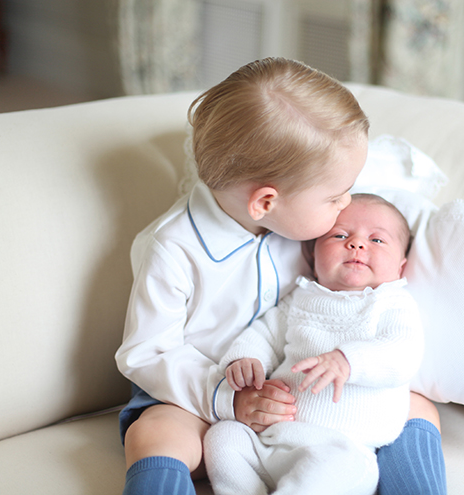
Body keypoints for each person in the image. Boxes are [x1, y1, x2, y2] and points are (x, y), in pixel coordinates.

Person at [115, 57, 446, 495]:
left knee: (418, 406)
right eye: (335, 196)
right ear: (266, 202)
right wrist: (228, 398)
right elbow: (145, 354)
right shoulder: (173, 249)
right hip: (200, 397)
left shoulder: (305, 223)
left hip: (307, 397)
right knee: (154, 432)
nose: (345, 203)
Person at [204, 194, 423, 495]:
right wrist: (244, 359)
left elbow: (404, 354)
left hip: (343, 448)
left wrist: (348, 360)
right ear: (313, 253)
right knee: (224, 436)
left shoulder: (392, 303)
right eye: (340, 235)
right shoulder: (302, 297)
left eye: (377, 240)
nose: (357, 244)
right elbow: (265, 333)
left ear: (401, 266)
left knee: (334, 469)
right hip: (272, 439)